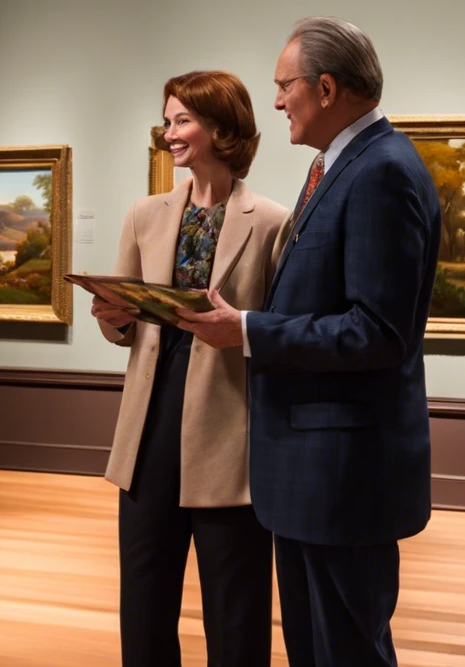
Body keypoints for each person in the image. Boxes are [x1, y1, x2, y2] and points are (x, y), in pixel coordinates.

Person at [177, 18, 440, 667]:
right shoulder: (340, 164)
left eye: (283, 85)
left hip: (343, 479)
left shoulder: (381, 171)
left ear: (325, 88)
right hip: (317, 476)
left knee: (344, 650)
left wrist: (245, 329)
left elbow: (378, 332)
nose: (275, 102)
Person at [91, 70, 288, 667]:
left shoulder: (273, 223)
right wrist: (114, 314)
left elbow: (276, 335)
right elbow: (121, 330)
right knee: (144, 603)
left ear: (221, 128)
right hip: (147, 433)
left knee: (236, 606)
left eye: (182, 120)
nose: (169, 133)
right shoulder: (144, 214)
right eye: (168, 119)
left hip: (230, 435)